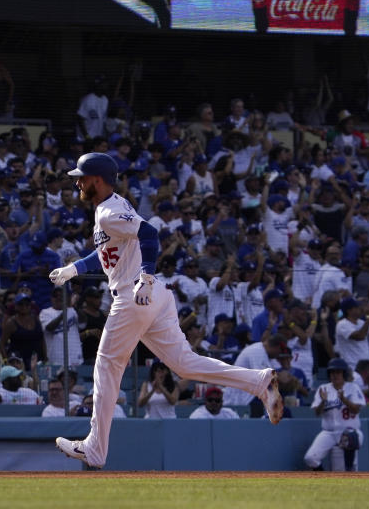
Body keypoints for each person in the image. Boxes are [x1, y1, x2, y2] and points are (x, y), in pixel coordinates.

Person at [50, 153, 283, 469]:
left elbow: (149, 234)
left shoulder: (108, 212)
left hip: (135, 294)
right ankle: (259, 382)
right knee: (185, 364)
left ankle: (94, 448)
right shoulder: (111, 208)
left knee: (106, 366)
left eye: (82, 177)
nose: (77, 181)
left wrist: (146, 276)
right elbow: (109, 253)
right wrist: (75, 269)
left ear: (98, 179)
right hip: (153, 296)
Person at [304, 358, 364, 471]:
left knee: (349, 439)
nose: (334, 375)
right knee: (310, 458)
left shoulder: (353, 387)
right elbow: (317, 413)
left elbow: (356, 410)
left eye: (338, 372)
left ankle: (350, 468)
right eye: (332, 372)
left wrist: (344, 400)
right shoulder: (323, 389)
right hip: (329, 432)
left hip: (349, 432)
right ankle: (323, 479)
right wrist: (323, 401)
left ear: (344, 374)